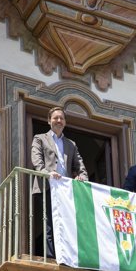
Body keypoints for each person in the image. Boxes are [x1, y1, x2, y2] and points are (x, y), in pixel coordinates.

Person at [31, 106, 88, 258]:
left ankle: (67, 257)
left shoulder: (71, 144)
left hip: (65, 190)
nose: (58, 121)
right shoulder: (40, 138)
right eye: (55, 118)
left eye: (61, 118)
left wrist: (82, 177)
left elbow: (80, 165)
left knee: (67, 224)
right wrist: (48, 173)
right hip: (47, 188)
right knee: (49, 224)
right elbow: (37, 161)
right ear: (49, 121)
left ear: (65, 122)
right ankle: (50, 258)